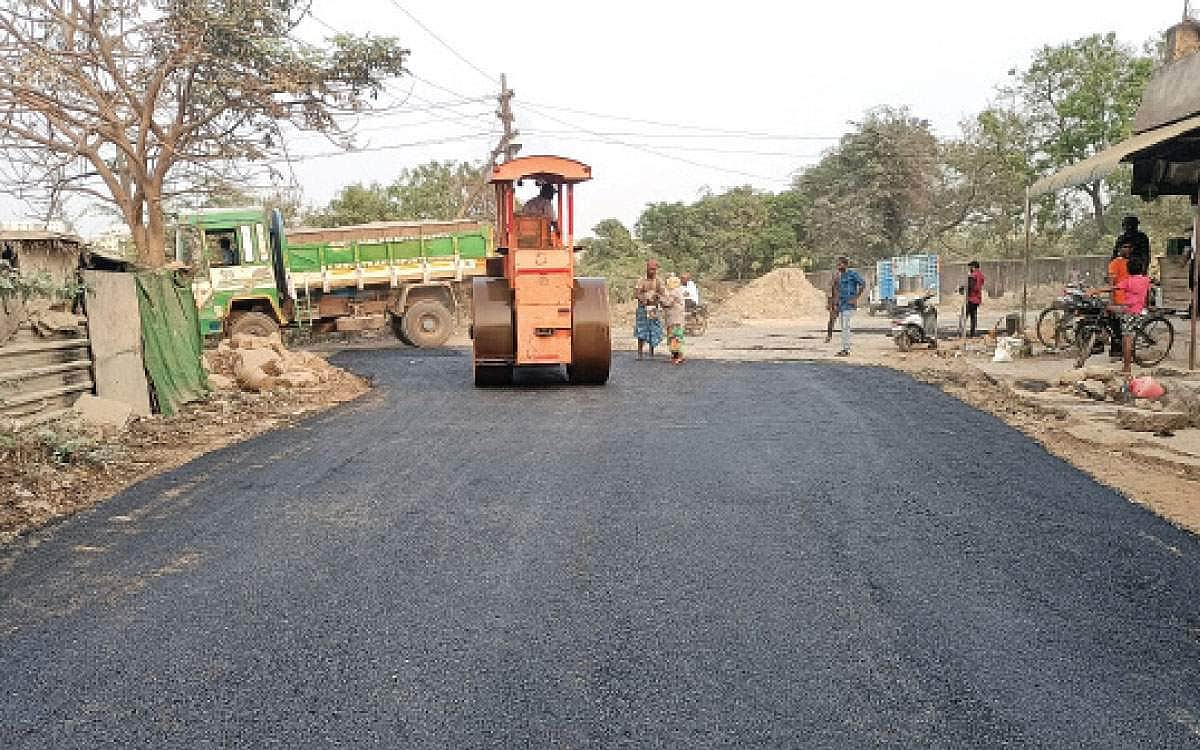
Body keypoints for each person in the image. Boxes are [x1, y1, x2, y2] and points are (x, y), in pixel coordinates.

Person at [1091, 256, 1151, 375]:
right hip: (1138, 310)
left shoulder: (1128, 281)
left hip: (1128, 311)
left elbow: (1112, 288)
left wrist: (1097, 291)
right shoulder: (1146, 280)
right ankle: (1113, 334)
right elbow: (1148, 294)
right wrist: (1147, 306)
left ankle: (1127, 368)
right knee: (1109, 309)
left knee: (1127, 339)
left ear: (1128, 269)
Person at [634, 259, 666, 359]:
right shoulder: (641, 280)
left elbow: (663, 293)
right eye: (650, 269)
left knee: (653, 329)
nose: (652, 271)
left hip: (653, 308)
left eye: (654, 269)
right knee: (641, 330)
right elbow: (636, 293)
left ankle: (651, 352)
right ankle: (640, 353)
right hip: (642, 309)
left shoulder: (659, 281)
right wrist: (643, 299)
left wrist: (657, 296)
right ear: (647, 268)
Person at [833, 256, 865, 356]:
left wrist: (855, 298)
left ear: (845, 264)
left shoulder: (852, 274)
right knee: (843, 327)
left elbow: (863, 284)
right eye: (837, 264)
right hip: (842, 305)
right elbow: (838, 290)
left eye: (840, 264)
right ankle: (845, 348)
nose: (838, 266)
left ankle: (846, 349)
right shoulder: (840, 276)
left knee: (846, 327)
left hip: (849, 305)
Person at [1107, 241, 1132, 358]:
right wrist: (1111, 300)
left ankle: (1124, 351)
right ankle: (1116, 351)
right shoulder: (1115, 263)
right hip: (1118, 299)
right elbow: (1111, 283)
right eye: (1125, 247)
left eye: (1129, 247)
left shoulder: (1132, 263)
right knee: (1116, 327)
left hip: (1129, 299)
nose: (1128, 249)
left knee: (1126, 328)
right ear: (1119, 249)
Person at [662, 274, 687, 365]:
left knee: (675, 337)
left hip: (674, 319)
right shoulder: (679, 291)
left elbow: (667, 303)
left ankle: (677, 356)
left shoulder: (674, 292)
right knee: (676, 337)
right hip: (676, 318)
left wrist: (660, 299)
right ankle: (676, 355)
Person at [964, 260, 985, 337]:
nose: (969, 268)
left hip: (971, 298)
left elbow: (970, 286)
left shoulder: (973, 275)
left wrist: (963, 289)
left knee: (965, 315)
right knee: (973, 316)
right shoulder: (981, 275)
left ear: (973, 267)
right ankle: (972, 333)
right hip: (978, 298)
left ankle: (962, 332)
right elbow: (980, 284)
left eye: (970, 267)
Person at [825, 264, 842, 344]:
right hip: (835, 301)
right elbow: (829, 289)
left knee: (845, 320)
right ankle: (829, 336)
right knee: (832, 319)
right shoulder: (835, 275)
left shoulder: (848, 276)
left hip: (843, 301)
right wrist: (829, 302)